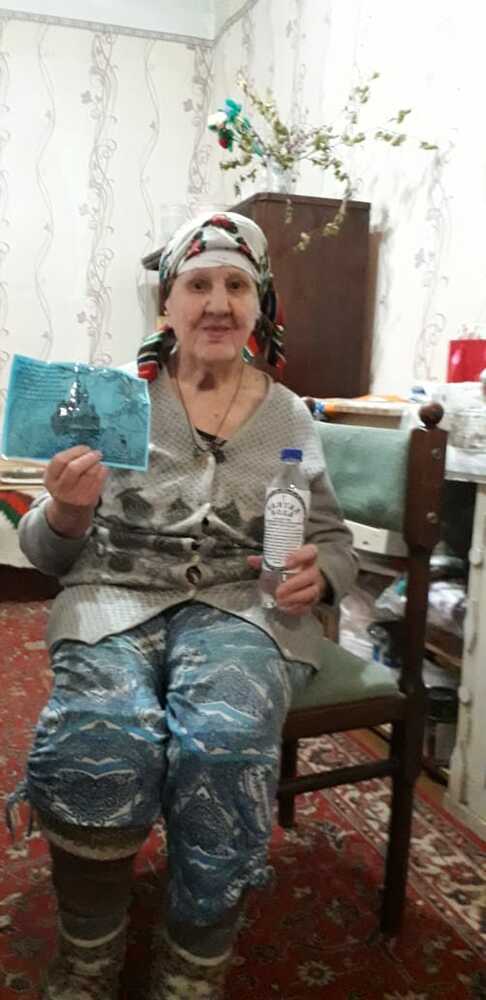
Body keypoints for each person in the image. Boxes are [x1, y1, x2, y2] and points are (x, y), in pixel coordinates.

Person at [14, 211, 358, 1000]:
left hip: (244, 609)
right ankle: (90, 953)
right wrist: (66, 511)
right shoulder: (113, 399)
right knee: (98, 733)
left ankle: (195, 959)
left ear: (259, 305)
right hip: (113, 597)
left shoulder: (291, 414)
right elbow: (44, 552)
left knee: (226, 738)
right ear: (166, 304)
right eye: (198, 284)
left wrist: (322, 576)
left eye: (236, 285)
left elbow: (333, 539)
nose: (217, 303)